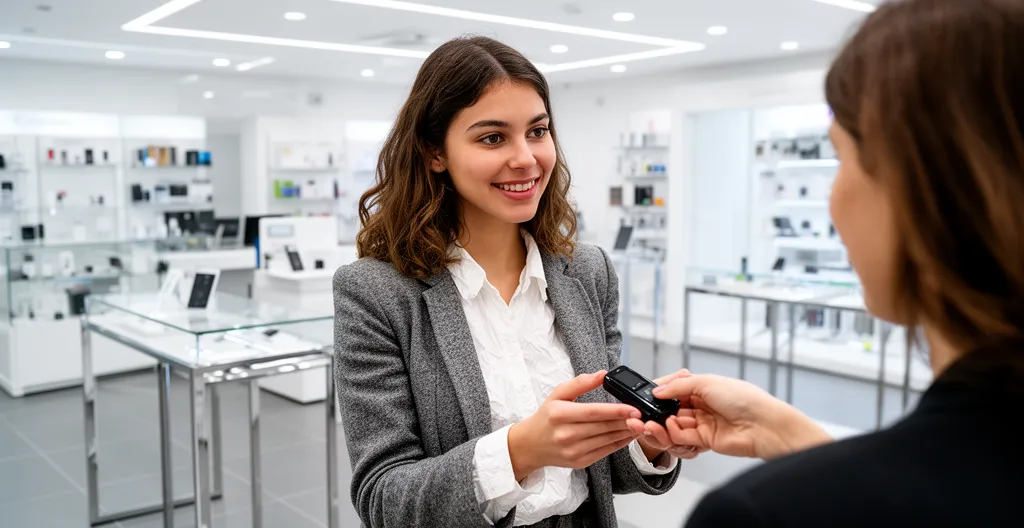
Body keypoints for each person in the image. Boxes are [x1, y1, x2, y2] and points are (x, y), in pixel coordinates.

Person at [651, 0, 1024, 525]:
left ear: (923, 188)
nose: (834, 198)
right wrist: (793, 439)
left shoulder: (763, 513)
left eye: (843, 157)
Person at [333, 36, 695, 528]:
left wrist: (648, 440)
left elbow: (602, 472)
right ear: (434, 152)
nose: (526, 158)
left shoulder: (587, 272)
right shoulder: (376, 294)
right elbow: (384, 499)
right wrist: (520, 450)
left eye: (538, 131)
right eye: (492, 137)